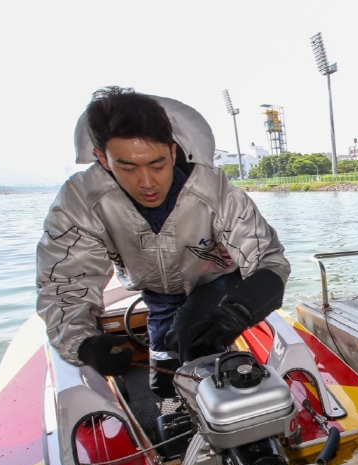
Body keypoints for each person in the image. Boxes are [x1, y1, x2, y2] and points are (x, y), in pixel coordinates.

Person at [36, 87, 291, 397]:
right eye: (127, 167)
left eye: (157, 165)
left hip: (215, 279)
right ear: (102, 158)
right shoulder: (80, 199)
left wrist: (239, 310)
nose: (146, 183)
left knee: (190, 336)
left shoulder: (214, 190)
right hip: (155, 290)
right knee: (162, 384)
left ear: (173, 152)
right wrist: (82, 343)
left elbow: (269, 260)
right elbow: (65, 282)